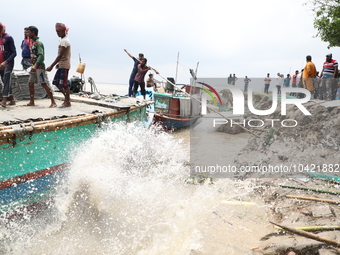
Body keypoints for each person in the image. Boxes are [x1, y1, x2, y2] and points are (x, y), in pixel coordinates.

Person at [25, 26, 56, 108]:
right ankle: (32, 101)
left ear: (33, 32)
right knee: (30, 83)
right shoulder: (32, 43)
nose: (27, 34)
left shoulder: (38, 43)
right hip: (33, 67)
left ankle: (53, 102)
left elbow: (41, 56)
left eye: (28, 32)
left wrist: (36, 65)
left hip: (39, 67)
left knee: (43, 84)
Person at [46, 23, 71, 108]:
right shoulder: (62, 40)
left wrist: (51, 66)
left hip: (65, 65)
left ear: (64, 31)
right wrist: (58, 63)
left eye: (59, 31)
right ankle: (67, 99)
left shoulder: (65, 41)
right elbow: (64, 55)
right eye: (56, 31)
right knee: (56, 83)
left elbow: (60, 55)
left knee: (64, 84)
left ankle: (67, 102)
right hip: (62, 64)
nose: (57, 33)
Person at [0, 22, 16, 107]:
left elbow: (14, 53)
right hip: (0, 63)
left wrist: (6, 62)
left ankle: (4, 100)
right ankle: (12, 99)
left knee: (6, 78)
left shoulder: (8, 38)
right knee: (4, 80)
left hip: (8, 62)